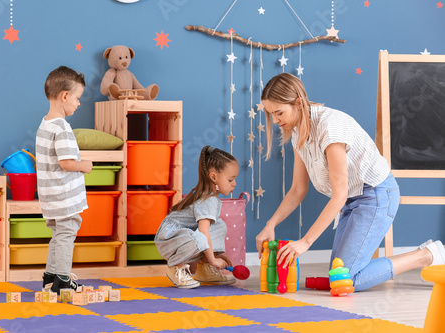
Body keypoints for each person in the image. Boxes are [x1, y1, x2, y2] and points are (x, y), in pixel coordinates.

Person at [255, 73, 445, 292]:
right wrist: (270, 224)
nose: (276, 120)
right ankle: (423, 255)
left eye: (279, 112)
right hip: (352, 201)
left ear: (298, 102)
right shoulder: (297, 130)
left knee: (347, 279)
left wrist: (305, 242)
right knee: (338, 274)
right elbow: (298, 189)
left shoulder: (330, 127)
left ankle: (427, 255)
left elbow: (339, 194)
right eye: (271, 114)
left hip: (376, 195)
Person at [36, 66, 93, 294]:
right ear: (65, 96)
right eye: (77, 98)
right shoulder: (62, 128)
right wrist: (85, 166)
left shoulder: (44, 124)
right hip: (64, 197)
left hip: (50, 196)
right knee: (67, 234)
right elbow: (66, 162)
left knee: (57, 236)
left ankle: (50, 276)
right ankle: (62, 279)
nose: (78, 103)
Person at [155, 146, 239, 289]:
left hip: (184, 235)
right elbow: (203, 232)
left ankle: (205, 269)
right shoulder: (207, 199)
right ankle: (176, 268)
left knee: (219, 225)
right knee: (201, 235)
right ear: (213, 177)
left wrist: (219, 253)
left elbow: (209, 231)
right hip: (170, 238)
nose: (234, 184)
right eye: (230, 180)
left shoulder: (211, 197)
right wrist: (213, 259)